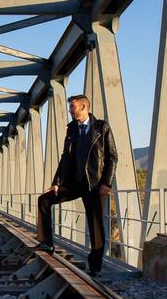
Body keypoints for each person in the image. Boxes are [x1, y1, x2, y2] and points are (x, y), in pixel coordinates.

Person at [36, 94, 117, 276]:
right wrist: (56, 182)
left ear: (83, 107)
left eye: (73, 107)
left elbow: (112, 157)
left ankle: (95, 267)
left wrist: (106, 183)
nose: (70, 111)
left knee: (95, 226)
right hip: (73, 183)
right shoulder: (72, 128)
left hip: (94, 184)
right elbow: (65, 157)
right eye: (70, 107)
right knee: (44, 200)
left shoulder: (101, 127)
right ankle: (47, 242)